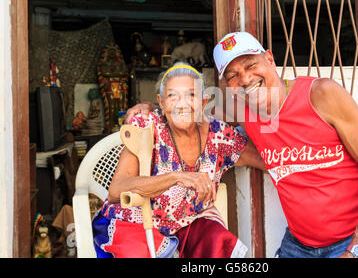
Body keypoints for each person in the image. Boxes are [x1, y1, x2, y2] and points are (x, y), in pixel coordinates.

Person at [125, 32, 358, 258]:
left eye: (251, 64)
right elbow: (189, 110)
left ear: (269, 58)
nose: (244, 79)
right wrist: (150, 106)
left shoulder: (322, 94)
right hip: (301, 245)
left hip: (354, 240)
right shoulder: (239, 107)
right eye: (232, 75)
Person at [92, 62, 266, 258]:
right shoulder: (147, 127)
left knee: (217, 242)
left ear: (203, 103)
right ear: (162, 102)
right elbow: (117, 190)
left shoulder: (219, 135)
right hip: (134, 225)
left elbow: (269, 159)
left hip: (185, 225)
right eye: (173, 96)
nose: (182, 104)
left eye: (191, 95)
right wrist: (177, 177)